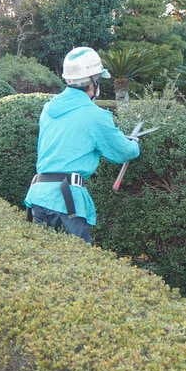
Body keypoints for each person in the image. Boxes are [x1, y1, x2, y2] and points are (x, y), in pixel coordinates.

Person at [23, 47, 140, 244]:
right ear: (94, 81)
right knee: (77, 264)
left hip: (38, 195)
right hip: (66, 201)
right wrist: (134, 143)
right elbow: (122, 152)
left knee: (43, 261)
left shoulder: (49, 108)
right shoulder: (95, 115)